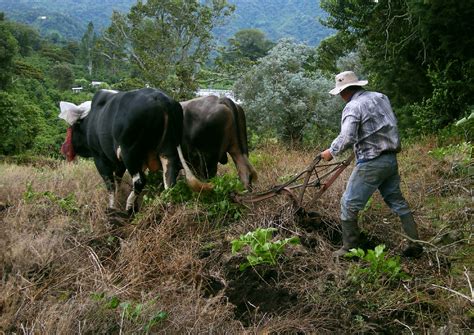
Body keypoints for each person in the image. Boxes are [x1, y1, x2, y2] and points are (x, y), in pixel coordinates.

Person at [320, 71, 423, 258]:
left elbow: (347, 137)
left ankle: (349, 248)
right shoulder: (380, 97)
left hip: (371, 162)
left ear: (344, 92)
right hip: (390, 159)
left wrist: (331, 152)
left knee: (348, 204)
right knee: (397, 201)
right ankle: (415, 244)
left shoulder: (352, 106)